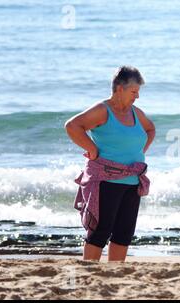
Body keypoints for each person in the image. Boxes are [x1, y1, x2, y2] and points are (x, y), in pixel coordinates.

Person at [65, 66, 156, 262]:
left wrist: (139, 153)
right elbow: (72, 126)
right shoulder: (102, 111)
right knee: (100, 231)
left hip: (132, 182)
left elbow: (151, 129)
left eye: (138, 91)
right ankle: (89, 273)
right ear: (120, 88)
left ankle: (115, 274)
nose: (137, 96)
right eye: (134, 91)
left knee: (124, 233)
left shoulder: (136, 113)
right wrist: (92, 149)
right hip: (106, 180)